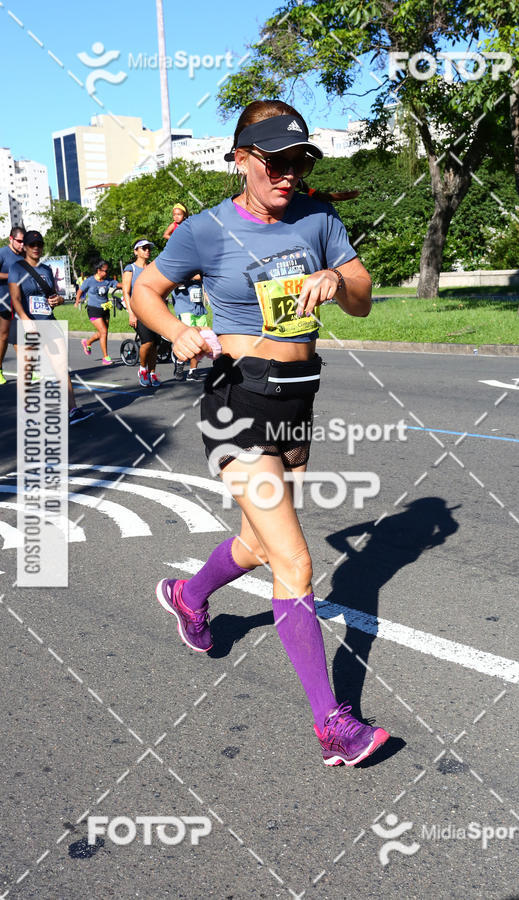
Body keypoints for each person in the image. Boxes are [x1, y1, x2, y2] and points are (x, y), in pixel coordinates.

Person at [132, 99, 389, 767]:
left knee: (257, 541)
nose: (288, 173)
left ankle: (189, 595)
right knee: (296, 560)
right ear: (241, 158)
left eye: (299, 160)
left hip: (298, 400)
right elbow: (145, 292)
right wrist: (177, 331)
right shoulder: (209, 230)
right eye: (274, 160)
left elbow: (362, 294)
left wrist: (338, 279)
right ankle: (332, 725)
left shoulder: (318, 218)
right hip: (234, 400)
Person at [7, 230, 93, 424]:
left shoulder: (46, 269)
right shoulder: (16, 268)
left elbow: (53, 296)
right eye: (31, 245)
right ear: (25, 247)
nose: (36, 248)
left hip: (49, 322)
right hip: (27, 324)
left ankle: (72, 410)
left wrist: (59, 300)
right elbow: (15, 298)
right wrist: (24, 319)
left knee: (62, 367)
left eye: (39, 245)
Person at [121, 239, 161, 387]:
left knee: (155, 345)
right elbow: (126, 292)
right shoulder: (130, 268)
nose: (147, 251)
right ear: (136, 251)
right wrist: (131, 313)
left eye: (149, 248)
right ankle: (143, 369)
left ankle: (152, 373)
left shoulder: (152, 268)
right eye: (143, 248)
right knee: (147, 342)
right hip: (138, 311)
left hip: (154, 311)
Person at [75, 260, 121, 364]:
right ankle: (105, 358)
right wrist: (77, 301)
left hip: (105, 309)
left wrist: (132, 284)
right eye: (105, 271)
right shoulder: (90, 281)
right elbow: (80, 291)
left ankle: (88, 342)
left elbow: (118, 284)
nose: (107, 273)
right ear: (99, 270)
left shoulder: (107, 280)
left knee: (103, 333)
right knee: (103, 332)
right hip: (93, 309)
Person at [0, 225, 26, 385]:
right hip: (3, 300)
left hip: (19, 302)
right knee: (3, 336)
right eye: (19, 241)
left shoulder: (23, 255)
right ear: (11, 239)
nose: (22, 245)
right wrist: (11, 276)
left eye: (24, 242)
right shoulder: (3, 253)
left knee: (20, 337)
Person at [171, 276, 209, 381]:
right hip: (184, 309)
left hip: (199, 309)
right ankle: (180, 362)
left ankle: (192, 371)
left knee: (200, 341)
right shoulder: (180, 266)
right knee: (188, 341)